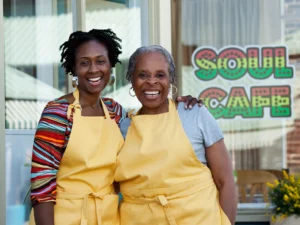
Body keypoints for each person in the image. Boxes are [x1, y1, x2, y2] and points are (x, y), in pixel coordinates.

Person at [30, 30, 202, 225]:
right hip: (63, 218)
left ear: (110, 65)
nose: (94, 69)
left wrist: (181, 103)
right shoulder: (58, 113)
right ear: (74, 68)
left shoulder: (115, 112)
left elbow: (150, 125)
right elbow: (41, 184)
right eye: (84, 63)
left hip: (108, 218)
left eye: (100, 61)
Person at [115, 45, 237, 225]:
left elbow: (225, 181)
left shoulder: (195, 114)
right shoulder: (122, 128)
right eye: (143, 75)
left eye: (160, 75)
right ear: (131, 80)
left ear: (171, 79)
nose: (151, 82)